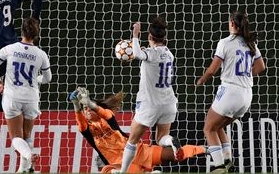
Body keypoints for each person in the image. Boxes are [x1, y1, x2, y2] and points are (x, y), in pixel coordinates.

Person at [67, 87, 206, 173]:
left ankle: (205, 149)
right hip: (117, 164)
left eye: (90, 107)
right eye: (85, 109)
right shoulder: (88, 130)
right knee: (107, 171)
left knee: (175, 155)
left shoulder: (107, 117)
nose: (87, 110)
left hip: (139, 152)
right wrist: (76, 105)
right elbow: (80, 122)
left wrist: (89, 103)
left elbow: (103, 112)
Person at [196, 11, 266, 173]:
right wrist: (246, 74)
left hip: (230, 92)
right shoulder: (251, 43)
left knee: (208, 128)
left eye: (229, 22)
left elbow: (213, 69)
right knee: (218, 127)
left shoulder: (225, 42)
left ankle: (220, 166)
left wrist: (201, 80)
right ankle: (228, 161)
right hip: (246, 95)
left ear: (232, 24)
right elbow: (261, 67)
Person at [0, 17, 52, 172]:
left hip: (12, 97)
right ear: (36, 34)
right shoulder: (41, 54)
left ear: (21, 31)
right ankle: (24, 169)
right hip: (31, 98)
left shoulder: (9, 49)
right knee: (27, 135)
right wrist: (36, 79)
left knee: (16, 137)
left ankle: (29, 156)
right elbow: (48, 78)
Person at [117, 17, 180, 173]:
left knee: (132, 140)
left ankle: (122, 172)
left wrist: (135, 35)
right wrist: (143, 50)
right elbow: (146, 56)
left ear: (150, 37)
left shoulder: (150, 53)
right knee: (161, 139)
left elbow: (139, 54)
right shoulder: (169, 54)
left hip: (150, 104)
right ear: (164, 37)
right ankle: (171, 140)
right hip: (169, 104)